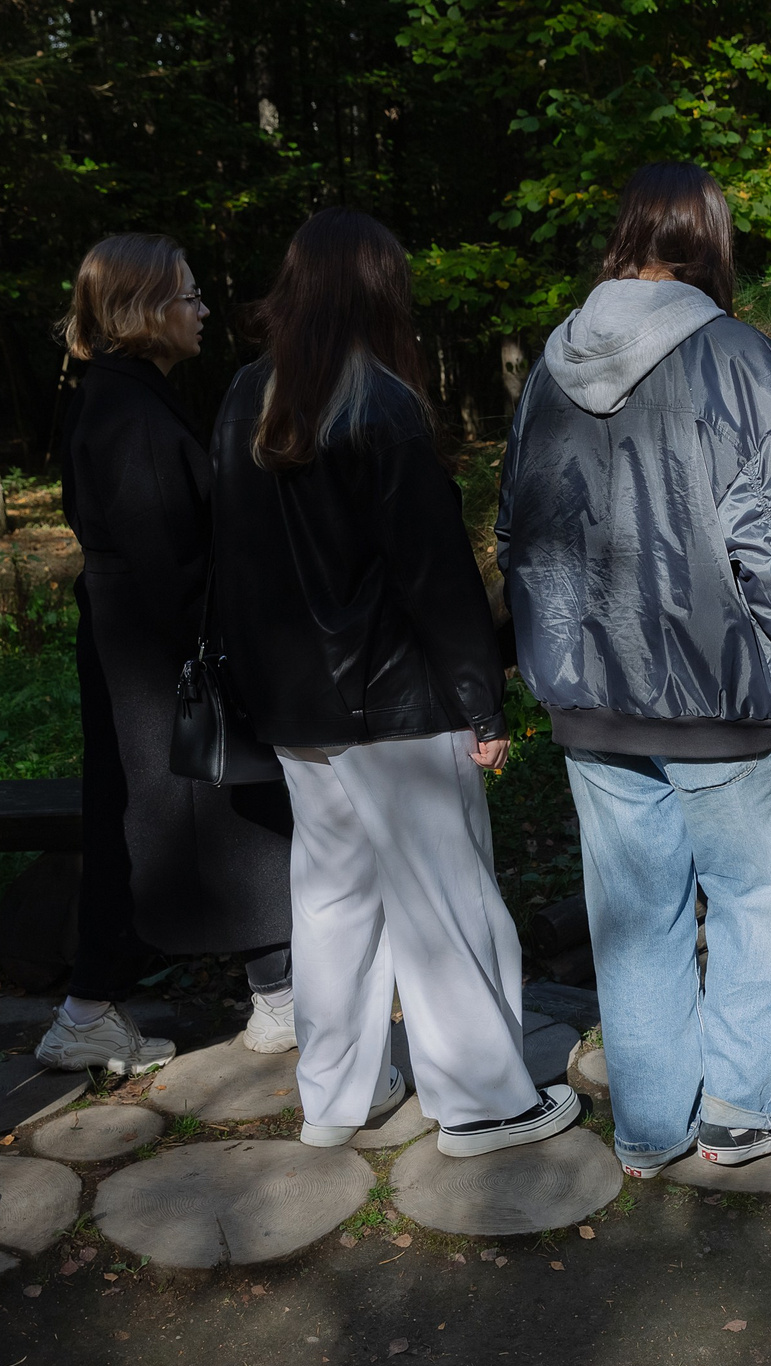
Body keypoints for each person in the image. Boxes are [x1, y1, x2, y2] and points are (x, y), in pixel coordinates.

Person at [496, 161, 771, 1178]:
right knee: (757, 902)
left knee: (635, 923)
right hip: (727, 703)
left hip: (593, 708)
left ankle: (649, 1132)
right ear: (710, 239)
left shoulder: (548, 369)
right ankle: (741, 1115)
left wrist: (547, 672)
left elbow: (517, 536)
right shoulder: (735, 356)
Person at [209, 208, 578, 1156]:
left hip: (298, 711)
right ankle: (486, 1102)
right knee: (446, 901)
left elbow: (236, 568)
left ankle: (336, 1099)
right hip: (397, 704)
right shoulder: (381, 404)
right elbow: (437, 577)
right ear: (379, 291)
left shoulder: (246, 398)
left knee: (330, 903)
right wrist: (481, 700)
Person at [32, 233, 298, 1076]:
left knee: (138, 818)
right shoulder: (131, 413)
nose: (202, 308)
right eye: (186, 294)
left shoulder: (118, 395)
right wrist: (238, 641)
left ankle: (89, 1007)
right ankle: (280, 997)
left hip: (134, 651)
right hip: (161, 658)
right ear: (145, 310)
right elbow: (171, 562)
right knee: (228, 809)